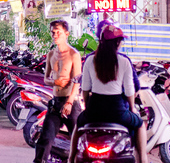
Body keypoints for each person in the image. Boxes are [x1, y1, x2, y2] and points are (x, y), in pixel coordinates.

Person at [69, 26, 147, 163]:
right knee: (140, 124)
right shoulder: (124, 61)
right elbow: (130, 91)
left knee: (78, 125)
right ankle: (143, 159)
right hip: (117, 111)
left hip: (94, 109)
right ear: (117, 43)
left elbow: (85, 90)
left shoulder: (90, 60)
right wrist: (132, 108)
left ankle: (70, 158)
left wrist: (87, 108)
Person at [35, 20, 82, 163]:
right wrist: (55, 82)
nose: (55, 35)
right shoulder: (51, 55)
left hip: (70, 103)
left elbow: (77, 80)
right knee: (46, 138)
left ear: (66, 34)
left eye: (58, 33)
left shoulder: (74, 54)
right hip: (55, 103)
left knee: (79, 139)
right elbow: (46, 79)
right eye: (53, 33)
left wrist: (69, 102)